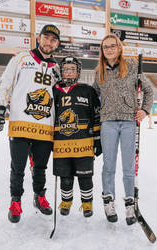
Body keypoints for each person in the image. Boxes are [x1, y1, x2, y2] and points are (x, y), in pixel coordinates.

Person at [0, 24, 61, 223]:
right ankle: (16, 201)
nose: (49, 42)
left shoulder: (57, 69)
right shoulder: (21, 58)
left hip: (45, 127)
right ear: (38, 38)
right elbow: (5, 83)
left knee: (40, 167)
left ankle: (39, 196)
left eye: (53, 40)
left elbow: (59, 98)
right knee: (18, 167)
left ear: (57, 44)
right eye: (46, 38)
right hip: (20, 123)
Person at [93, 34, 154, 225]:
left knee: (128, 167)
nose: (109, 49)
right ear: (102, 50)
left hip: (128, 122)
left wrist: (144, 110)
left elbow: (149, 90)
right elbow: (94, 96)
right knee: (108, 166)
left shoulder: (133, 66)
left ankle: (130, 203)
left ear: (119, 48)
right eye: (105, 47)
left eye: (112, 46)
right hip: (108, 123)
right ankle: (108, 200)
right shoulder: (99, 71)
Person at [53, 56, 101, 218]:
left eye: (72, 69)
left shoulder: (87, 91)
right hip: (61, 144)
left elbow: (96, 115)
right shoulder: (53, 91)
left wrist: (98, 138)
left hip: (84, 143)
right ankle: (66, 202)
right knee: (65, 176)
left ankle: (87, 204)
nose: (68, 72)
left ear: (78, 72)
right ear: (61, 71)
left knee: (85, 176)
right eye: (66, 69)